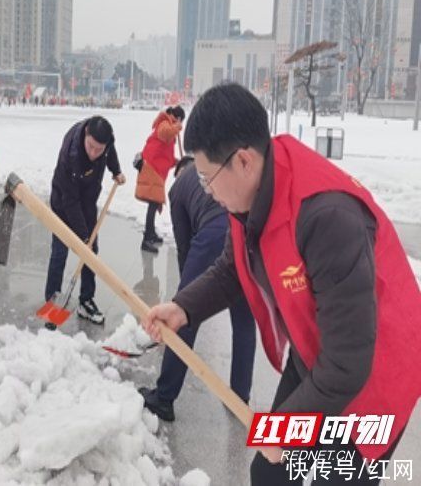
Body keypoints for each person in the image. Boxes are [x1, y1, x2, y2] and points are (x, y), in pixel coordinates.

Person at [142, 83, 421, 484]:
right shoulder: (251, 193)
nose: (206, 191)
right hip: (319, 349)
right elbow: (234, 266)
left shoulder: (327, 217)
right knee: (271, 472)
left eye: (206, 178)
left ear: (242, 161)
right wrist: (185, 308)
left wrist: (289, 426)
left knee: (336, 476)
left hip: (375, 364)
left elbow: (347, 365)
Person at [138, 155, 255, 421]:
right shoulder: (213, 170)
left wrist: (188, 297)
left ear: (179, 171)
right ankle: (239, 398)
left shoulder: (178, 187)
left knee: (184, 317)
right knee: (245, 321)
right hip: (244, 233)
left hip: (213, 236)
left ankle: (164, 397)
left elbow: (184, 245)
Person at [44, 116, 126, 326]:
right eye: (90, 146)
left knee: (91, 252)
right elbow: (70, 201)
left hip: (88, 200)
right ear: (86, 133)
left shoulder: (105, 143)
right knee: (60, 252)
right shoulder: (70, 154)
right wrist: (83, 236)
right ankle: (52, 302)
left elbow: (110, 152)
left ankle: (86, 300)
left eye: (98, 150)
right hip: (64, 202)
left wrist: (115, 170)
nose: (93, 153)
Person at [136, 105, 184, 252]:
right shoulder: (165, 123)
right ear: (177, 117)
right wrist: (177, 126)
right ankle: (146, 240)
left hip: (155, 170)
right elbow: (165, 133)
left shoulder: (168, 125)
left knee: (154, 204)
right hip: (151, 169)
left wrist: (178, 162)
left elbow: (165, 156)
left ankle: (150, 233)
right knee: (153, 204)